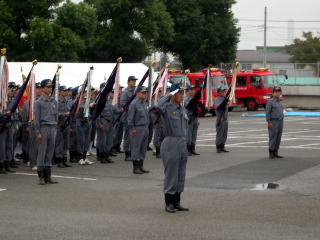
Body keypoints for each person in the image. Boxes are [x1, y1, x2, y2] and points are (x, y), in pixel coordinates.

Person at [152, 83, 189, 213]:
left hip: (182, 143)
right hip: (170, 142)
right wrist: (170, 93)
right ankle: (169, 203)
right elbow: (156, 106)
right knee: (171, 174)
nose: (182, 96)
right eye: (179, 93)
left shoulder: (182, 109)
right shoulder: (167, 108)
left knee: (180, 174)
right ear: (173, 95)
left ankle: (177, 201)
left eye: (183, 93)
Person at [34, 79, 58, 185]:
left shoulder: (54, 101)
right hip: (43, 128)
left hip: (52, 128)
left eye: (51, 87)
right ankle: (41, 177)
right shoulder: (38, 102)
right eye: (47, 87)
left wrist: (55, 128)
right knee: (42, 153)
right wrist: (37, 132)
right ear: (43, 88)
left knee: (50, 153)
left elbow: (56, 116)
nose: (50, 89)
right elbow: (37, 119)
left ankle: (48, 176)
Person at [127, 86, 150, 174]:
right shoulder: (133, 104)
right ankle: (135, 167)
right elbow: (130, 118)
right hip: (137, 128)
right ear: (137, 93)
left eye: (145, 93)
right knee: (136, 148)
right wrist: (132, 128)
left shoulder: (144, 103)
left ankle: (141, 166)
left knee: (143, 148)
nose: (145, 94)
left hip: (145, 127)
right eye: (143, 93)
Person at [120, 76, 137, 161]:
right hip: (127, 116)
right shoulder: (125, 92)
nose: (134, 82)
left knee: (133, 135)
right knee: (128, 135)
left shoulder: (135, 91)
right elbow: (123, 104)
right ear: (128, 82)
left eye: (134, 81)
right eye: (132, 81)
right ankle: (127, 153)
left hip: (135, 117)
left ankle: (132, 151)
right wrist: (133, 107)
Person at [54, 86, 72, 168]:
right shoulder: (56, 101)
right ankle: (59, 160)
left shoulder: (67, 101)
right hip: (59, 124)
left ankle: (64, 159)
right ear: (60, 92)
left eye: (66, 91)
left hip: (66, 123)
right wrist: (64, 114)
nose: (65, 92)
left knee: (66, 143)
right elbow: (55, 113)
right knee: (59, 143)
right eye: (64, 91)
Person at [266, 86, 284, 159]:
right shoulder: (270, 102)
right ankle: (271, 152)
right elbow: (267, 113)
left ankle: (276, 152)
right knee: (273, 137)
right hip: (273, 121)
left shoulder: (280, 101)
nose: (277, 93)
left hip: (280, 121)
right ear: (273, 93)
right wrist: (269, 122)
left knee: (278, 137)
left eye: (279, 92)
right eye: (275, 92)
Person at [184, 85, 200, 156]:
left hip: (195, 118)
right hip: (189, 118)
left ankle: (193, 148)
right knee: (189, 134)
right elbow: (188, 106)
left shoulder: (194, 99)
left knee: (194, 134)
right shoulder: (186, 99)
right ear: (188, 90)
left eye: (194, 90)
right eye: (192, 90)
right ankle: (188, 149)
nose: (194, 91)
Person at [214, 86, 230, 153]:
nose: (224, 92)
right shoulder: (217, 99)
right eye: (222, 91)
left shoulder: (225, 99)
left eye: (224, 91)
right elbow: (219, 107)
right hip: (220, 119)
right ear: (218, 92)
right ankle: (218, 147)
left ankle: (222, 146)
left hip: (225, 119)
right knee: (219, 134)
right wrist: (225, 102)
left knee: (224, 134)